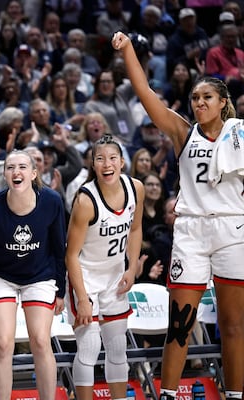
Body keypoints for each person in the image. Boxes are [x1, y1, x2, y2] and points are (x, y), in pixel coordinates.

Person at [113, 31, 244, 400]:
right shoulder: (182, 132)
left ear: (223, 102)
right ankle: (168, 394)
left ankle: (235, 393)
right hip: (191, 231)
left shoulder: (241, 135)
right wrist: (127, 52)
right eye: (195, 97)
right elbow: (145, 95)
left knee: (234, 326)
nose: (199, 102)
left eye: (206, 97)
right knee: (179, 324)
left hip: (233, 227)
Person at [0, 149, 67, 400]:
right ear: (4, 175)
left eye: (23, 167)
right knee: (3, 343)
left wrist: (61, 290)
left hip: (40, 274)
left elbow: (59, 248)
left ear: (34, 173)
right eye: (11, 167)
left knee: (40, 340)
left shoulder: (52, 201)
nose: (17, 172)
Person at [65, 134, 144, 400]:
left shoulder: (136, 188)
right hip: (85, 278)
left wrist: (131, 268)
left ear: (122, 162)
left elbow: (135, 229)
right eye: (100, 159)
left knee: (118, 347)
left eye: (112, 158)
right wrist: (83, 299)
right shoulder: (86, 201)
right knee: (89, 346)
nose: (106, 164)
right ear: (93, 164)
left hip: (114, 278)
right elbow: (71, 255)